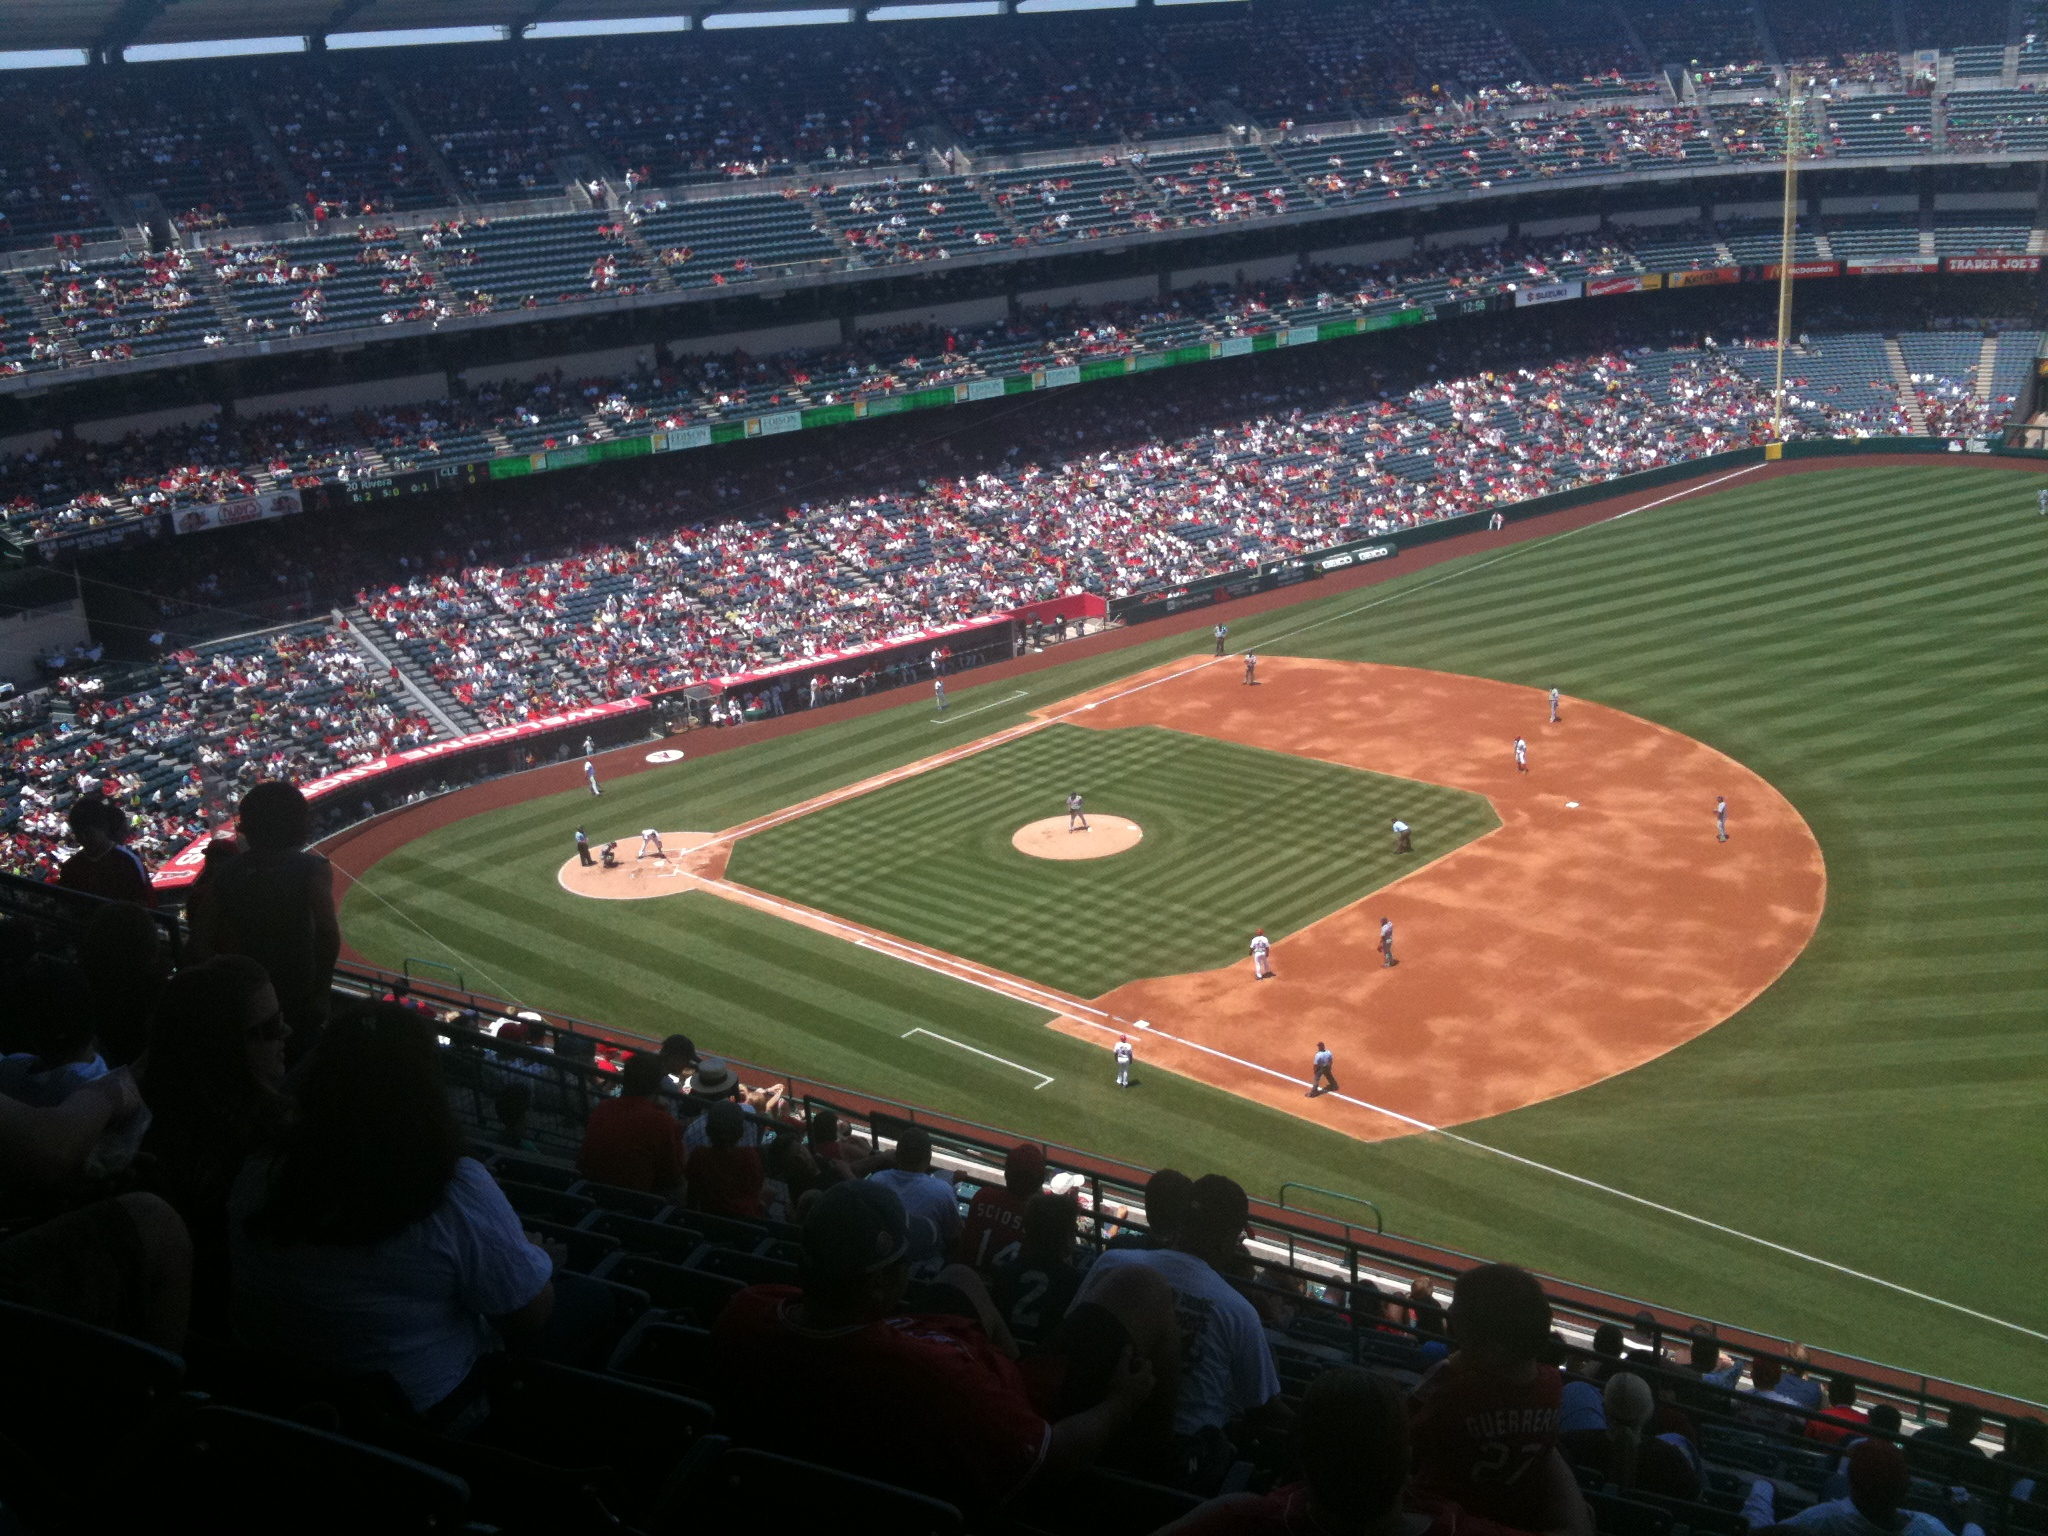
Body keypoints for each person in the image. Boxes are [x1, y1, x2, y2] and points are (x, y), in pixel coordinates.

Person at [710, 1179, 1161, 1513]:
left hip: (843, 1435)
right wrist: (1122, 1402)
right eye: (902, 1262)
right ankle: (1166, 1466)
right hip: (1011, 1414)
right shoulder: (932, 1378)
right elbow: (1052, 1461)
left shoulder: (747, 1309)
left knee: (959, 1277)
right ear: (879, 1285)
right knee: (1141, 1287)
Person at [229, 1006, 561, 1413]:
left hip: (274, 1402)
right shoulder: (454, 1187)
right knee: (596, 1300)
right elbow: (525, 1315)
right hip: (426, 1416)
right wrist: (541, 1259)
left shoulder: (259, 1168)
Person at [1156, 1366, 1552, 1536]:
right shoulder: (1459, 1529)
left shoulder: (1243, 1518)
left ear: (1301, 1456)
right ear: (1407, 1457)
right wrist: (1544, 1445)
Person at [1075, 1173, 1285, 1483]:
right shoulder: (1238, 1311)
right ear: (1228, 1237)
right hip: (1179, 1470)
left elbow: (1070, 1339)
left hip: (1087, 1443)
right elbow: (1262, 1408)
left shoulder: (1112, 1263)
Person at [135, 954, 292, 1339]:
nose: (287, 1032)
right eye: (269, 1027)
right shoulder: (266, 1141)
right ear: (222, 1046)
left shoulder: (155, 1120)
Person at [1409, 1263, 1570, 1531]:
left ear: (1491, 1349)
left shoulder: (1458, 1390)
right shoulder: (1552, 1383)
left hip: (1440, 1515)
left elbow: (1406, 1435)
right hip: (1509, 1516)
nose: (1450, 1311)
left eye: (1460, 1313)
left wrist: (1438, 1378)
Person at [193, 781, 340, 1063]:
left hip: (247, 993)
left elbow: (201, 939)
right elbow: (327, 934)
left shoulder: (227, 872)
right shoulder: (312, 869)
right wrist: (321, 992)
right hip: (298, 991)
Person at [1753, 1438, 1953, 1536]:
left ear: (1852, 1486)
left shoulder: (1825, 1518)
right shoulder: (1929, 1528)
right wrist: (1973, 1522)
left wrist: (1762, 1489)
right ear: (1904, 1487)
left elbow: (1761, 1532)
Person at [577, 1052, 685, 1201]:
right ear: (657, 1087)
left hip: (589, 1193)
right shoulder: (662, 1121)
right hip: (633, 1203)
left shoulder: (604, 1107)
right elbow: (673, 1176)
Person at [990, 1192, 1087, 1348]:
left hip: (1002, 1357)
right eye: (1072, 1230)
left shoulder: (1007, 1271)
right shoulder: (1075, 1281)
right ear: (1065, 1236)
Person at [866, 1125, 962, 1275]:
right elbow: (954, 1239)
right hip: (924, 1276)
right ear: (929, 1158)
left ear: (896, 1155)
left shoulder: (876, 1180)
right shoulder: (942, 1190)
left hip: (879, 1268)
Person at [956, 1141, 1047, 1272]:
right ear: (1040, 1181)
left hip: (964, 1279)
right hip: (1003, 1288)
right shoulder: (1039, 1217)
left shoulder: (984, 1196)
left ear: (1006, 1174)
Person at [57, 795, 155, 906]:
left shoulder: (127, 861)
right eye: (78, 834)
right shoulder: (71, 868)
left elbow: (146, 904)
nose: (84, 839)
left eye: (89, 833)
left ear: (103, 827)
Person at [686, 1101, 765, 1219]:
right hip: (745, 1224)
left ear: (708, 1130)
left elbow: (691, 1194)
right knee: (770, 1192)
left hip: (707, 1220)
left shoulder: (699, 1154)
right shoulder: (749, 1155)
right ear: (740, 1133)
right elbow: (756, 1190)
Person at [1806, 1374, 1870, 1446]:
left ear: (1830, 1396)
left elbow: (1806, 1445)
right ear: (1853, 1397)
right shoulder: (1866, 1421)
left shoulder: (1817, 1418)